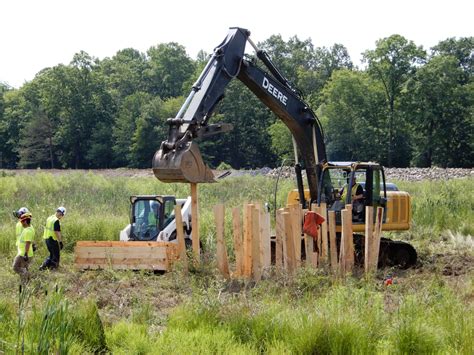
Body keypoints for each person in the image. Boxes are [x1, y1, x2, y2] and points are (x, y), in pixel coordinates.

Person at [13, 212, 35, 284]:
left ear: (25, 221)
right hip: (24, 252)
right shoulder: (30, 228)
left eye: (22, 221)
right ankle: (25, 283)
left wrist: (25, 254)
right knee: (23, 268)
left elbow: (28, 243)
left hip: (23, 253)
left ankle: (25, 281)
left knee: (15, 267)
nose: (21, 223)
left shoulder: (27, 231)